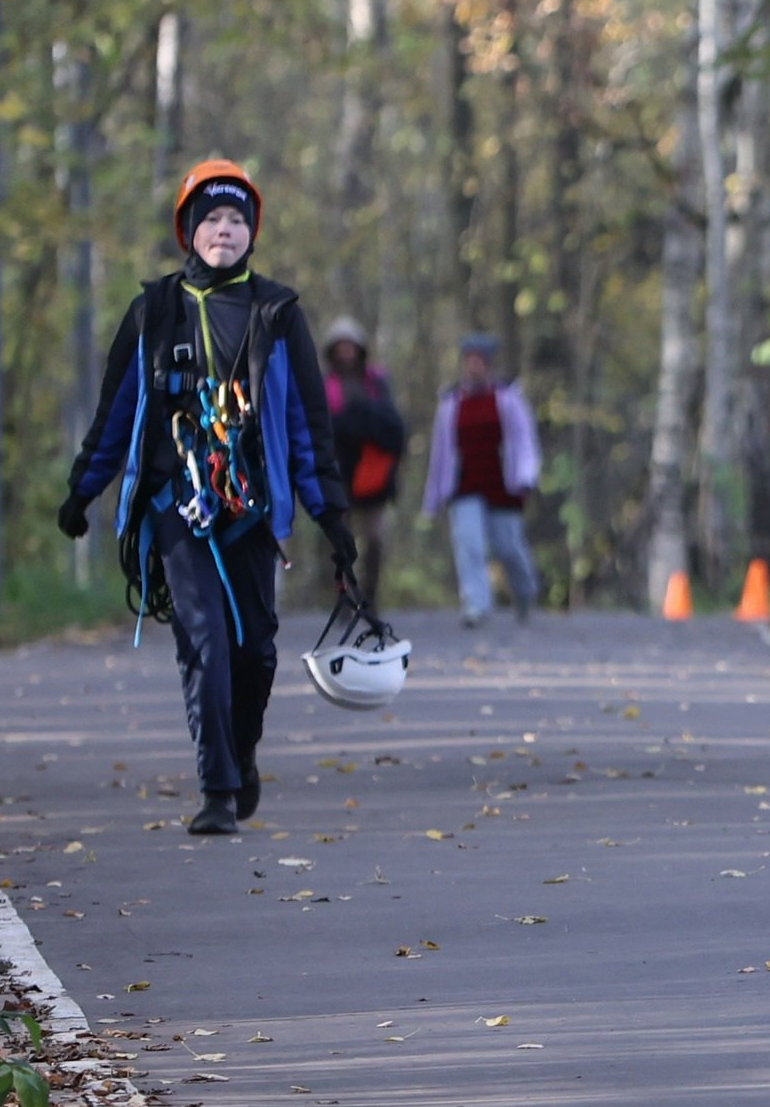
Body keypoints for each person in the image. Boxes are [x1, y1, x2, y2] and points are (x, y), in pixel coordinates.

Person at [56, 159, 355, 835]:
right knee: (205, 644)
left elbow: (309, 426)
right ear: (187, 230)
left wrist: (330, 515)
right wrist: (84, 490)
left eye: (236, 220)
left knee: (255, 651)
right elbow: (115, 414)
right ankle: (217, 787)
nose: (224, 231)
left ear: (253, 232)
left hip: (252, 511)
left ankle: (241, 753)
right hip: (175, 506)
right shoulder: (153, 311)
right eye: (211, 220)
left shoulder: (277, 313)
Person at [422, 332, 541, 625]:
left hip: (503, 485)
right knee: (469, 544)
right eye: (470, 361)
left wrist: (527, 475)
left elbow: (525, 440)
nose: (474, 367)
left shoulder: (508, 399)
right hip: (464, 486)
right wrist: (434, 497)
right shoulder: (450, 403)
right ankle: (476, 604)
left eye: (480, 362)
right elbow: (441, 452)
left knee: (508, 547)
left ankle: (525, 591)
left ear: (488, 365)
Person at [322, 316, 406, 616]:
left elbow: (392, 427)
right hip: (339, 475)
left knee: (375, 539)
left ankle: (370, 595)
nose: (346, 353)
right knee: (340, 542)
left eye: (351, 347)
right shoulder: (324, 385)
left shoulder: (377, 382)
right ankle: (345, 595)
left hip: (374, 476)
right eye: (340, 347)